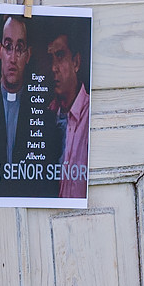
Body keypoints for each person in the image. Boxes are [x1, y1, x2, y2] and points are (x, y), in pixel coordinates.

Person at [0, 15, 36, 197]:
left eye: (19, 49)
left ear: (28, 55)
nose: (13, 58)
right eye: (8, 47)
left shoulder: (41, 111)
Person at [47, 23, 90, 199]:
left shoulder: (90, 117)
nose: (53, 68)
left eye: (60, 56)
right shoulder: (48, 114)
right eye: (51, 59)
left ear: (76, 62)